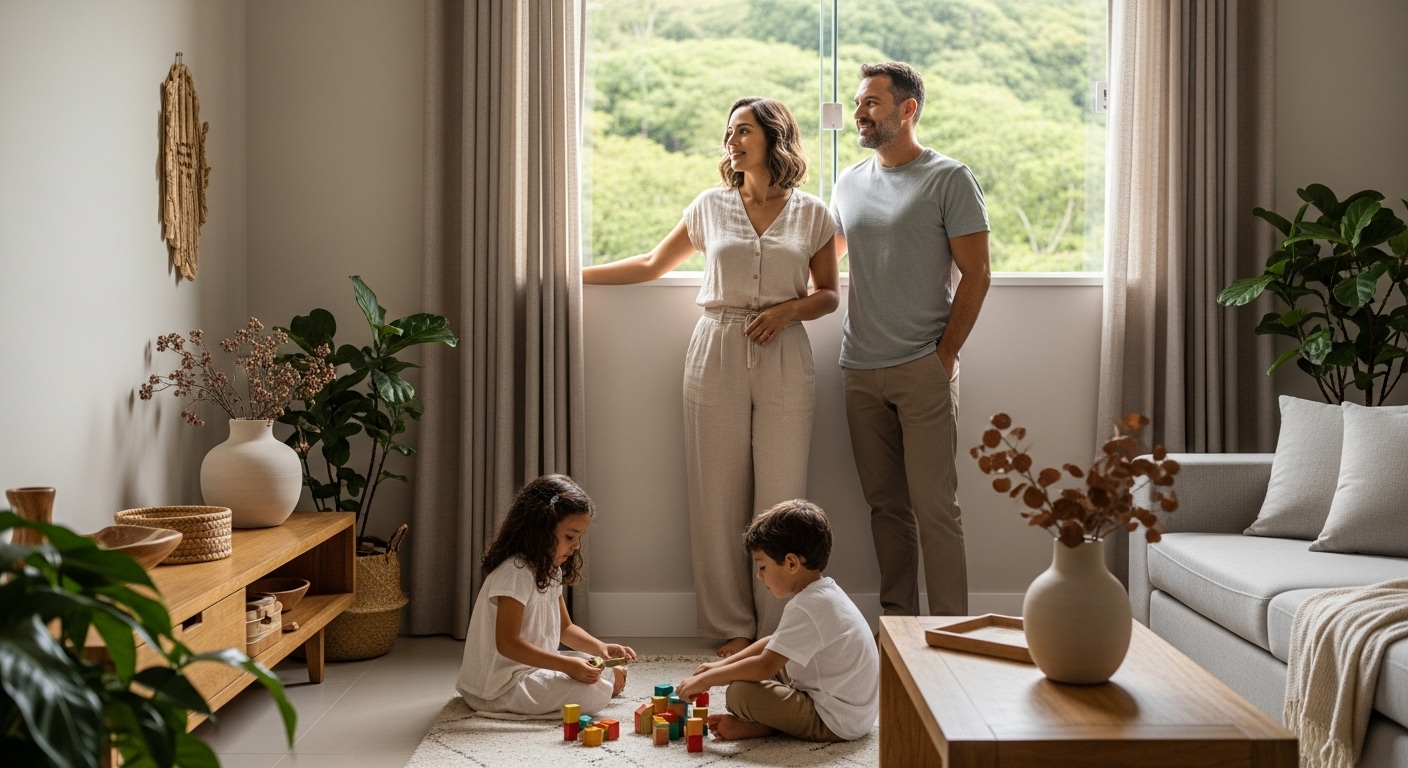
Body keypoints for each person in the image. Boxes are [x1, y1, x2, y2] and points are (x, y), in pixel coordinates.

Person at [583, 97, 840, 658]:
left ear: (773, 137)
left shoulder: (814, 213)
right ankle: (731, 627)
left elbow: (828, 295)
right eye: (728, 132)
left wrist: (786, 310)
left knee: (782, 497)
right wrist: (567, 270)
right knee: (715, 496)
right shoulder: (709, 207)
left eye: (743, 130)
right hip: (717, 347)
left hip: (785, 355)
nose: (731, 140)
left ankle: (778, 629)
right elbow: (653, 264)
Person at [832, 62, 991, 618]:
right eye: (857, 103)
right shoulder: (848, 181)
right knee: (885, 508)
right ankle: (897, 627)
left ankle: (951, 632)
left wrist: (944, 356)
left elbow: (978, 273)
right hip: (859, 369)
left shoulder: (949, 178)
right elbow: (822, 262)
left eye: (871, 102)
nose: (859, 112)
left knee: (935, 509)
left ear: (908, 109)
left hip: (922, 367)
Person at [676, 499, 878, 742]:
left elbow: (764, 666)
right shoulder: (823, 592)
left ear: (791, 563)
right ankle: (771, 722)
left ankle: (768, 727)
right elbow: (775, 642)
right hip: (853, 711)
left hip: (834, 720)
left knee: (739, 692)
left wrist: (707, 680)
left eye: (762, 567)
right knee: (750, 668)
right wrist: (718, 667)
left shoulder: (807, 606)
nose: (760, 576)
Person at [455, 474, 637, 717]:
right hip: (498, 687)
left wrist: (601, 648)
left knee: (601, 669)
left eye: (579, 538)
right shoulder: (515, 572)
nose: (576, 546)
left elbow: (565, 629)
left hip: (529, 669)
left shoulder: (550, 570)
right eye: (570, 536)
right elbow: (507, 644)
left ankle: (594, 676)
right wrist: (566, 665)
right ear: (540, 530)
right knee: (595, 693)